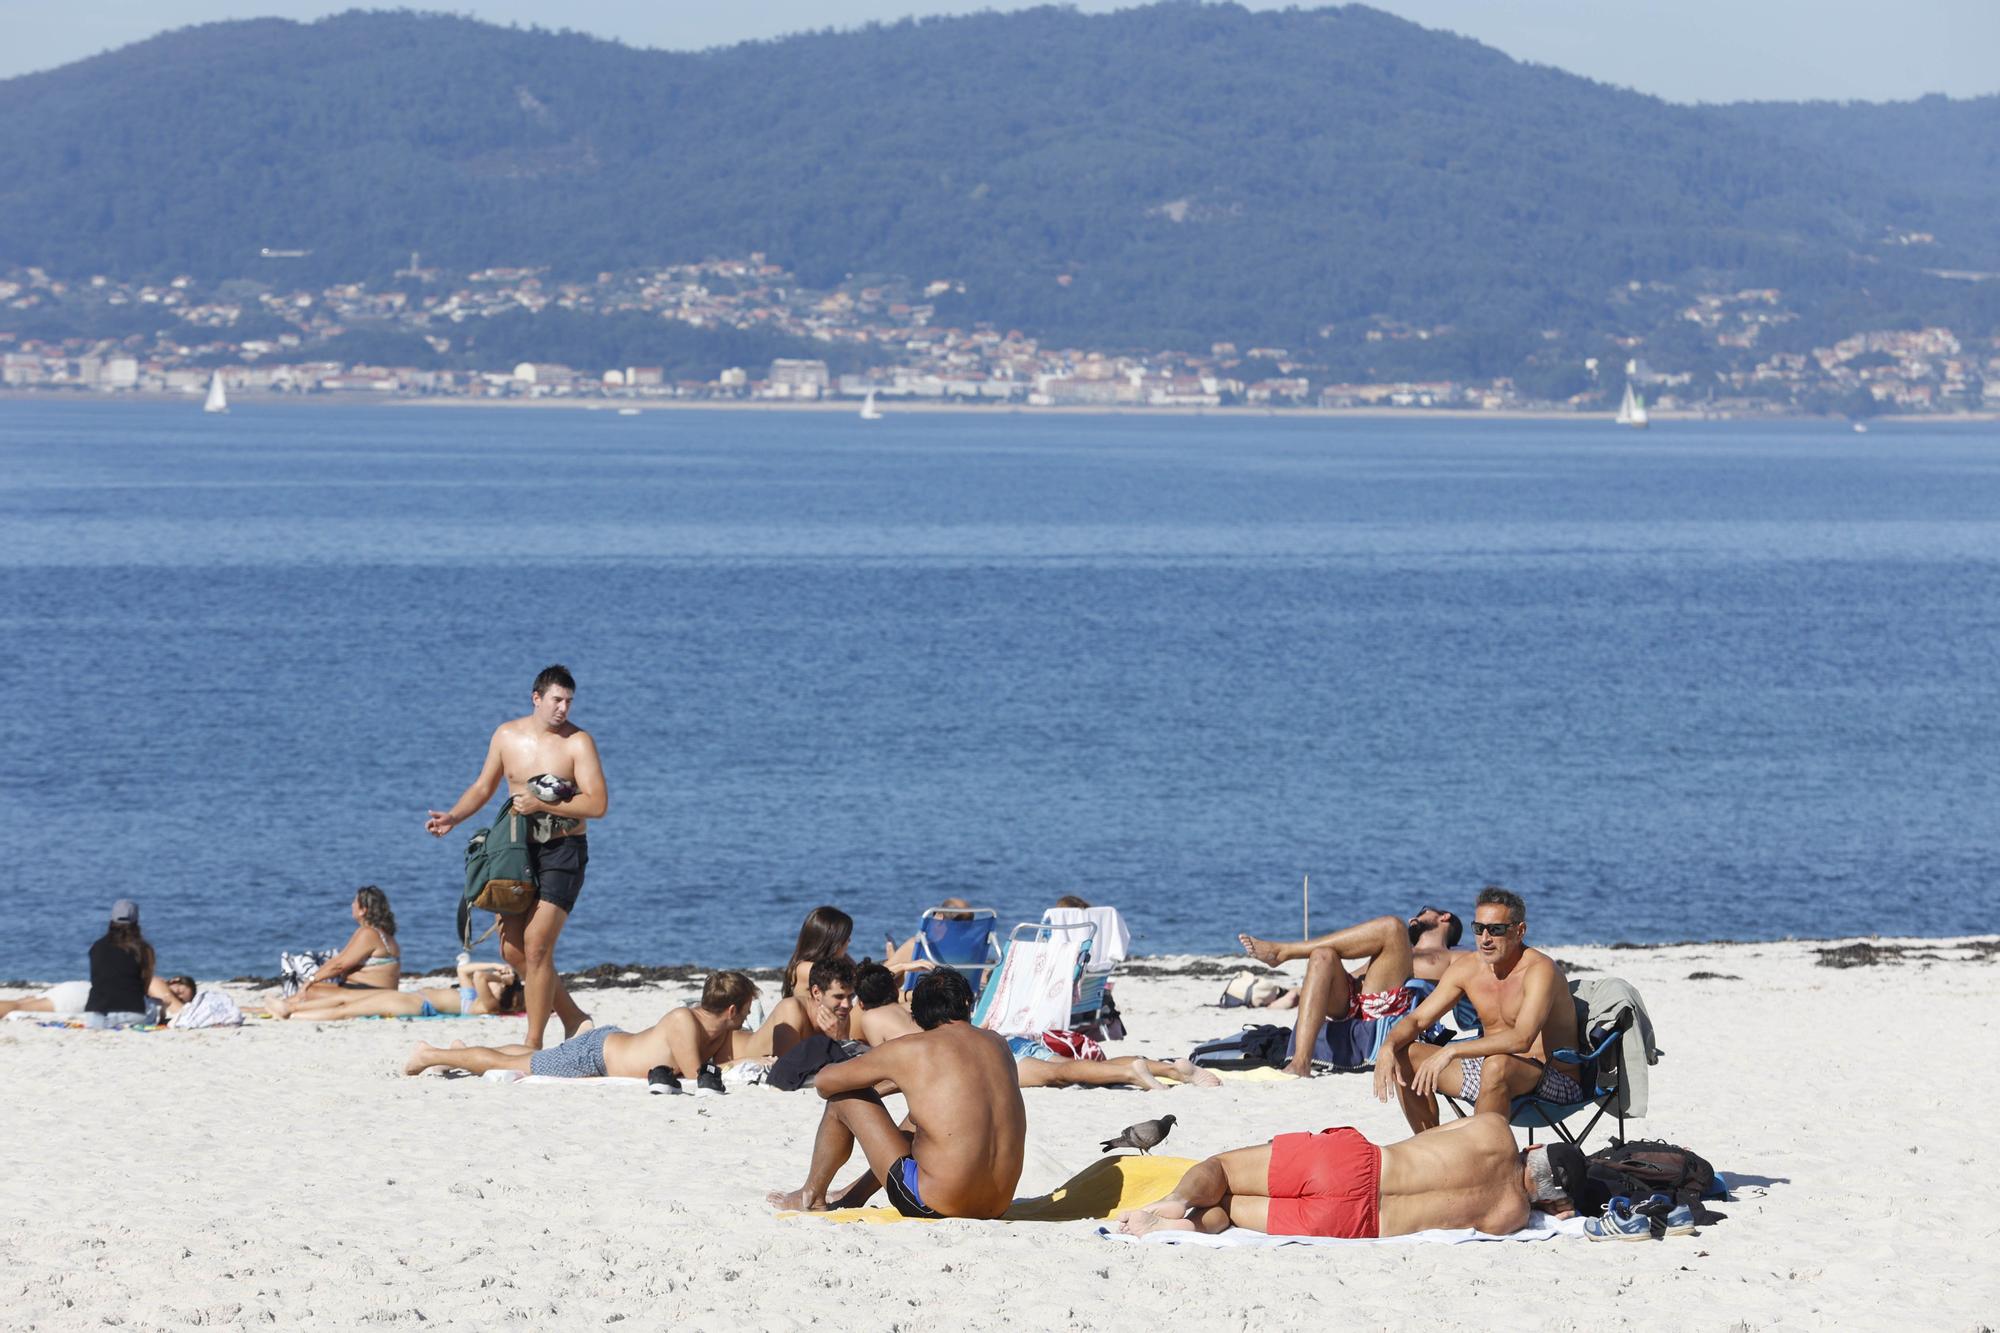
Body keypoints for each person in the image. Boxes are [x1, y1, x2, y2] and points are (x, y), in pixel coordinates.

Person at [425, 664, 608, 1049]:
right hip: (515, 849)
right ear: (536, 698)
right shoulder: (506, 736)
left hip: (564, 850)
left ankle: (533, 1041)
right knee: (512, 949)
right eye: (557, 700)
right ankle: (574, 1017)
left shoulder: (578, 743)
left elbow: (597, 804)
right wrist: (454, 817)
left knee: (538, 944)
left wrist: (546, 802)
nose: (563, 708)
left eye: (569, 701)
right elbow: (482, 786)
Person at [766, 969, 1025, 1219]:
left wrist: (877, 1075)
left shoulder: (913, 1047)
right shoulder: (997, 1043)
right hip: (997, 1204)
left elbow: (825, 1083)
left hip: (934, 1204)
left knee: (843, 1098)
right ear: (967, 1003)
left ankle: (810, 1196)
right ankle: (852, 1195)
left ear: (918, 1016)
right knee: (922, 1117)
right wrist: (898, 1081)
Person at [1114, 1111, 1579, 1239]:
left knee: (1222, 1170)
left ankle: (1171, 1203)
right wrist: (1554, 1208)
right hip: (1357, 1224)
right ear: (1549, 1195)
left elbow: (1431, 1135)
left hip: (1359, 1163)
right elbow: (1539, 1211)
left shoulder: (1496, 1130)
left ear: (1534, 1146)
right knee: (1230, 1214)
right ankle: (1181, 1226)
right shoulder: (1511, 1215)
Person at [1372, 887, 1581, 1133]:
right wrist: (1388, 1046)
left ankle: (1479, 1156)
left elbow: (1522, 1038)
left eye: (1496, 929)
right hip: (1489, 1070)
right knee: (1405, 1053)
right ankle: (1429, 1146)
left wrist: (1452, 1051)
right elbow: (1417, 1020)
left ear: (1520, 931)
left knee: (1495, 1066)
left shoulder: (1540, 970)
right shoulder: (1468, 968)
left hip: (1552, 1080)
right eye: (1478, 928)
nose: (1485, 938)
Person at [849, 962, 1218, 1091]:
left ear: (861, 1001)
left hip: (999, 1058)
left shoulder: (869, 1018)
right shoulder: (909, 1007)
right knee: (1070, 1068)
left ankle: (1134, 1074)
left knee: (1064, 1074)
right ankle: (1166, 1066)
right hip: (1006, 1043)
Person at [1237, 905, 1464, 1077]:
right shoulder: (1395, 953)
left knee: (1393, 926)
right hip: (1354, 1000)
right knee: (1322, 955)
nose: (1414, 917)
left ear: (1445, 918)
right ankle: (1300, 1063)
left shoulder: (1455, 956)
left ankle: (1285, 951)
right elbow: (1355, 975)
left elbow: (1481, 976)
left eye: (1424, 912)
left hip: (1392, 1008)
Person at [403, 971, 757, 1079]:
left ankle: (460, 1053)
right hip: (594, 1056)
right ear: (731, 1009)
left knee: (526, 1057)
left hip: (605, 1048)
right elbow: (698, 1075)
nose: (746, 1016)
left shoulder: (716, 1028)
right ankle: (429, 1055)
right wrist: (744, 1063)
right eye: (745, 1008)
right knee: (512, 1065)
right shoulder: (684, 1020)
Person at [264, 961, 523, 1021]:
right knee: (346, 1004)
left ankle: (292, 1014)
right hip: (412, 998)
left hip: (416, 1006)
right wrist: (497, 966)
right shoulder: (477, 996)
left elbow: (478, 976)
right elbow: (464, 970)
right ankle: (293, 1008)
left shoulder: (488, 1005)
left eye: (499, 985)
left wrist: (499, 976)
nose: (495, 982)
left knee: (348, 1010)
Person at [290, 885, 402, 1002]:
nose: (352, 905)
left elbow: (339, 966)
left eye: (355, 902)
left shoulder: (368, 933)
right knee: (312, 988)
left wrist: (311, 979)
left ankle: (281, 1006)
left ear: (363, 910)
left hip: (369, 994)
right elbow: (339, 960)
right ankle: (282, 1005)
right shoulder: (385, 934)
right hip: (378, 993)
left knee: (309, 991)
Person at [734, 957, 856, 1061]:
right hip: (733, 1051)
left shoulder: (841, 1015)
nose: (847, 1004)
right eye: (838, 996)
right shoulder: (792, 1009)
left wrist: (840, 1038)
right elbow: (787, 1069)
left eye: (851, 996)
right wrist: (839, 1040)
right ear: (816, 992)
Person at [83, 899, 162, 1028]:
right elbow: (145, 985)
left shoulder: (96, 947)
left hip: (95, 1016)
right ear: (136, 920)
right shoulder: (143, 949)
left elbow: (97, 979)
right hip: (133, 1013)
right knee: (153, 1006)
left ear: (112, 919)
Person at [1, 973, 194, 1021]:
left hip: (84, 991)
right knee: (18, 1007)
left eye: (183, 997)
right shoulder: (157, 984)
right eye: (180, 990)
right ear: (175, 980)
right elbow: (177, 1009)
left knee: (19, 1004)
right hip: (84, 997)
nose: (178, 995)